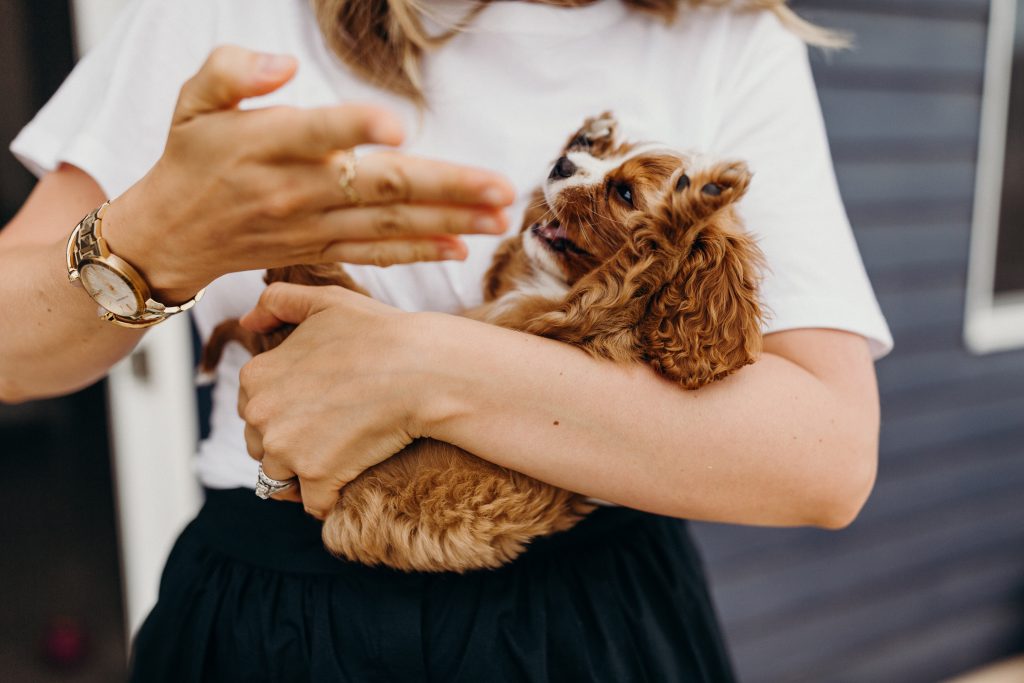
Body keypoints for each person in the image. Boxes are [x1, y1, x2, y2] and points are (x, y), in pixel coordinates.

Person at [1, 0, 892, 680]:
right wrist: (148, 242)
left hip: (592, 616)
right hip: (274, 618)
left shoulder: (726, 32)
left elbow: (826, 455)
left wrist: (422, 370)